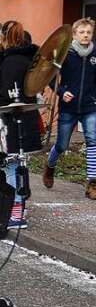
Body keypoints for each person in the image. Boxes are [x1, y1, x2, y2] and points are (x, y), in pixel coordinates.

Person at [0, 20, 43, 228]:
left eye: (1, 35)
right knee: (20, 166)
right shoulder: (29, 59)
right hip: (26, 120)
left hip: (12, 121)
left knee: (12, 166)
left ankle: (16, 215)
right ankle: (19, 211)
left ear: (6, 37)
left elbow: (7, 94)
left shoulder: (11, 61)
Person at [45, 18, 96, 199]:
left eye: (88, 32)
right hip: (68, 107)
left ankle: (92, 182)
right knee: (62, 145)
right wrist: (62, 91)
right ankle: (50, 166)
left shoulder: (94, 54)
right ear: (74, 34)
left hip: (90, 105)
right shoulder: (65, 53)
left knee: (93, 140)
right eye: (82, 32)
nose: (85, 35)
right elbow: (51, 78)